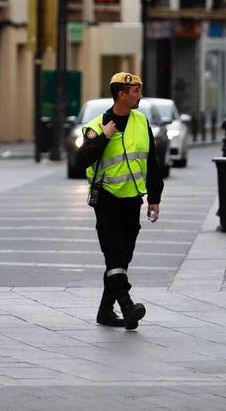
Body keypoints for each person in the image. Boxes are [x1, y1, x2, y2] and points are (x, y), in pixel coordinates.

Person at [75, 71, 164, 330]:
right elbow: (81, 161)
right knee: (114, 254)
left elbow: (151, 162)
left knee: (123, 256)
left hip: (133, 200)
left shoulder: (141, 121)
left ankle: (105, 311)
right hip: (107, 200)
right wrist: (104, 137)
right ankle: (127, 305)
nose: (140, 95)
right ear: (122, 95)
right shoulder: (96, 126)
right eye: (136, 91)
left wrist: (154, 198)